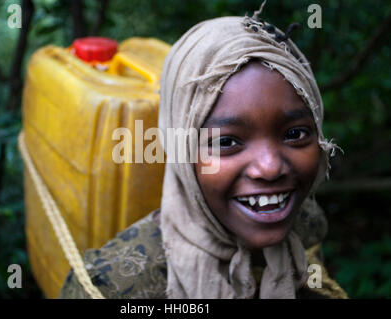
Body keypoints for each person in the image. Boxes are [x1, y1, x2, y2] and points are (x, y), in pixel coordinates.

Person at [59, 12, 348, 299]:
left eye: (295, 134)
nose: (270, 168)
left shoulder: (306, 222)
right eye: (227, 141)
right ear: (182, 150)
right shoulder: (109, 289)